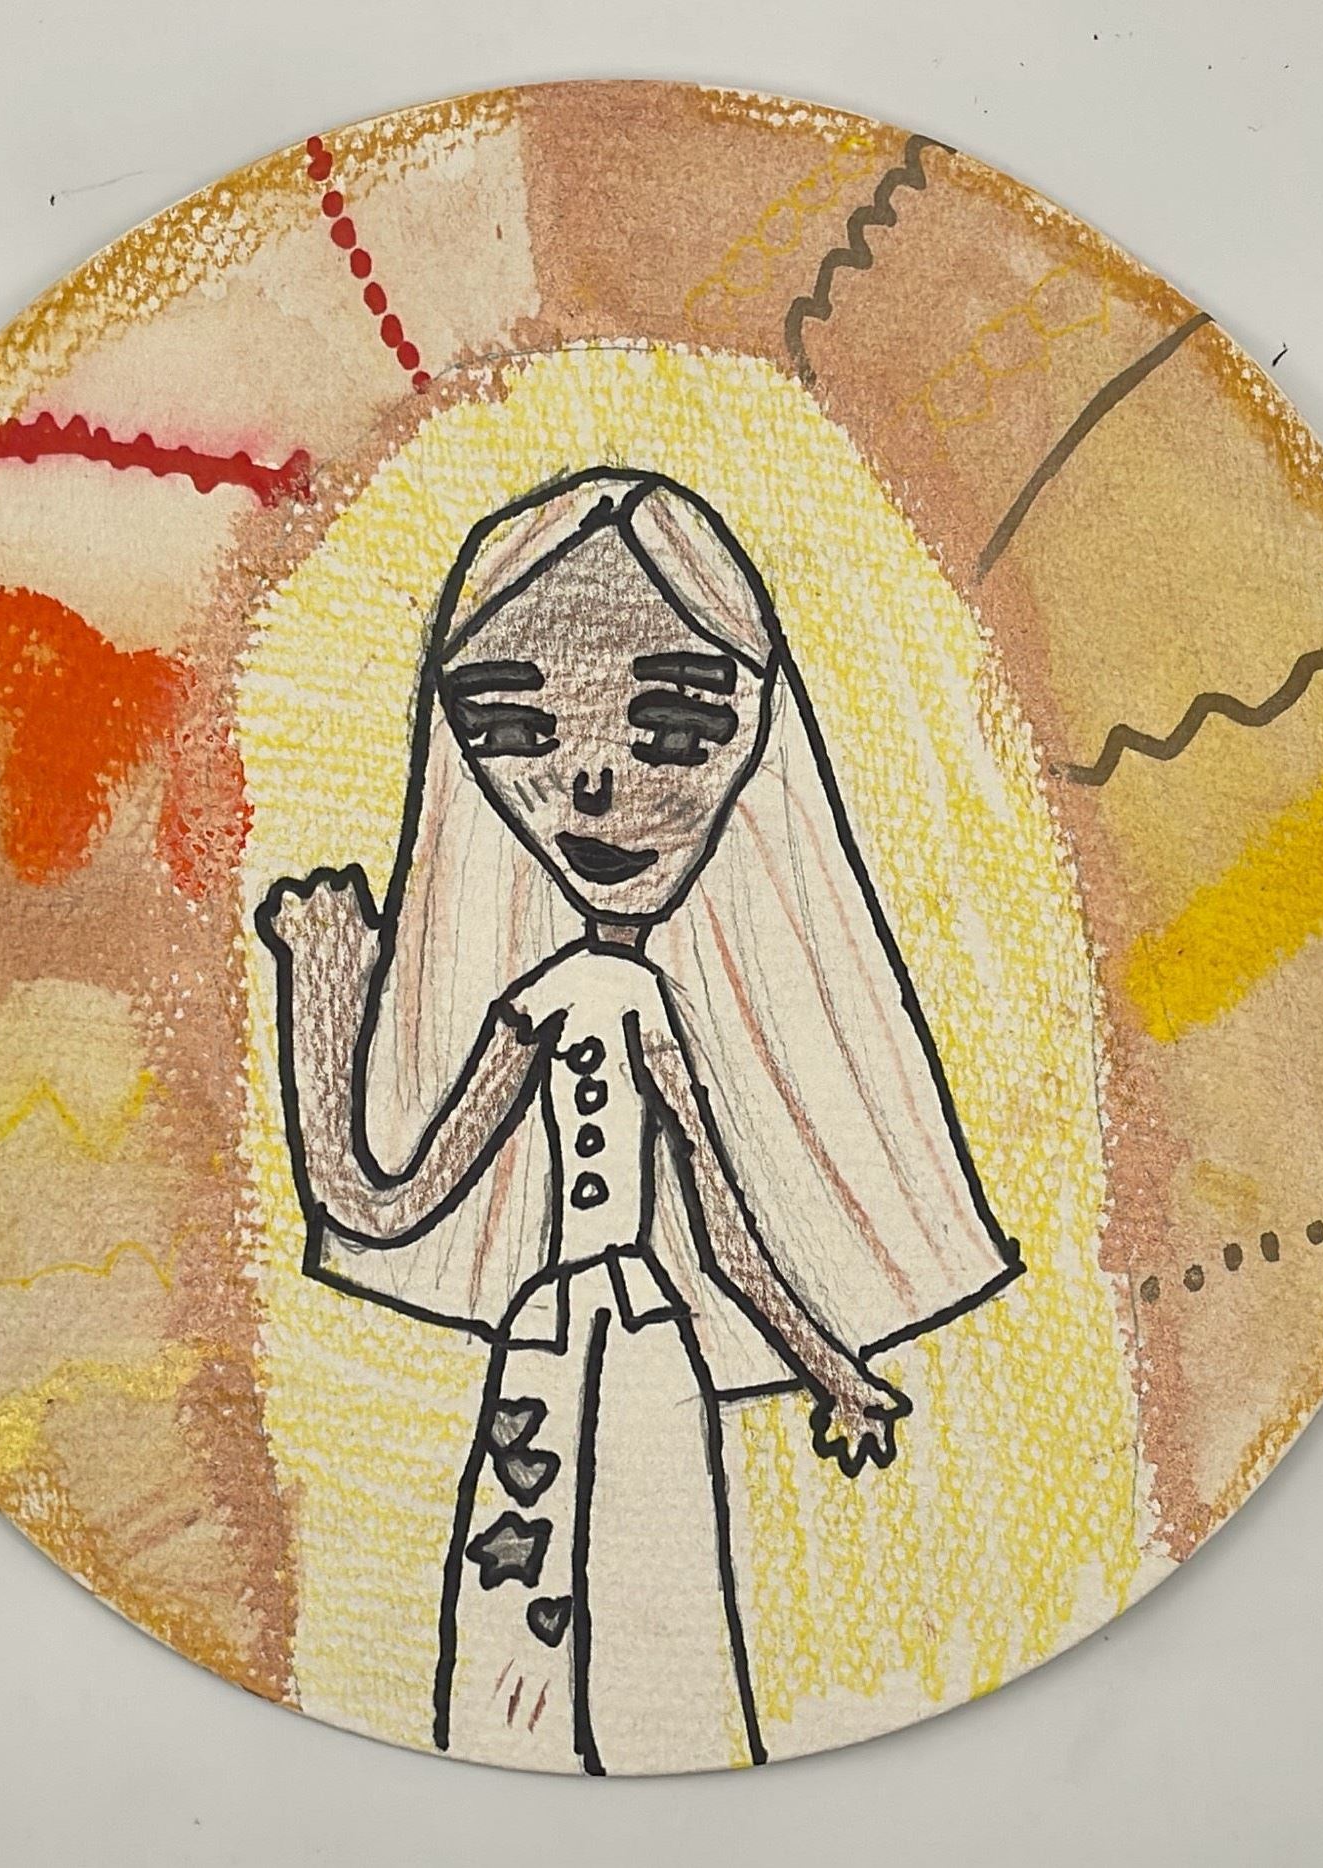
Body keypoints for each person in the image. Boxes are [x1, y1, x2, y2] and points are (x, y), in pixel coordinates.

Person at [257, 468, 1022, 1774]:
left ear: (758, 740)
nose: (594, 783)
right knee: (545, 1641)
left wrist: (833, 1370)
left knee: (636, 1633)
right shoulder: (569, 999)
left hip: (607, 1351)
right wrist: (323, 999)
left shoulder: (609, 1001)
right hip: (578, 1352)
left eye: (672, 723)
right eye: (511, 726)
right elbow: (380, 1206)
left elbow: (720, 1233)